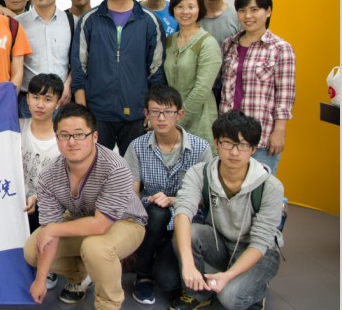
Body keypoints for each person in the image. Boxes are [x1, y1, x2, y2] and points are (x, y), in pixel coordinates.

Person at [24, 103, 147, 308]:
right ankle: (79, 275)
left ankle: (108, 303)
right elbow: (49, 232)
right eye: (64, 135)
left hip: (126, 221)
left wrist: (53, 229)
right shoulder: (49, 175)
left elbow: (100, 225)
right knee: (32, 250)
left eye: (79, 134)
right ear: (57, 138)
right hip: (79, 219)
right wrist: (40, 279)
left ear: (94, 137)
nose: (72, 142)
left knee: (95, 248)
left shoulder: (115, 167)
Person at [170, 110, 284, 310]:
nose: (234, 152)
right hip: (221, 242)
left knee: (229, 298)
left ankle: (257, 291)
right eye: (227, 143)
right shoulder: (199, 173)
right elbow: (182, 213)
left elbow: (260, 242)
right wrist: (188, 265)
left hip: (258, 251)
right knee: (189, 232)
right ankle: (198, 294)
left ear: (253, 149)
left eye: (243, 145)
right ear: (216, 143)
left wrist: (228, 276)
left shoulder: (270, 186)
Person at [123, 85, 213, 306]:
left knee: (168, 281)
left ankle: (157, 257)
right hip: (149, 219)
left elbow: (206, 198)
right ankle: (143, 274)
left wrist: (173, 200)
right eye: (155, 112)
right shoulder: (137, 147)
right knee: (157, 210)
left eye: (168, 112)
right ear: (146, 114)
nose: (161, 118)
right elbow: (130, 193)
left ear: (179, 114)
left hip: (184, 224)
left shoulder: (200, 148)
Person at [71, 0, 166, 155]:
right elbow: (79, 69)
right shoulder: (89, 20)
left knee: (135, 169)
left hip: (137, 114)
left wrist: (153, 111)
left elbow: (156, 71)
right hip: (97, 114)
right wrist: (83, 113)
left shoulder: (149, 21)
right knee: (95, 167)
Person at [219, 0, 295, 174]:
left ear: (268, 11)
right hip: (227, 135)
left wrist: (279, 132)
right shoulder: (229, 44)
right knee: (228, 186)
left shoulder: (280, 48)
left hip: (261, 137)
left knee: (259, 186)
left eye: (254, 10)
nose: (247, 16)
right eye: (242, 10)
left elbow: (285, 96)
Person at [164, 0, 222, 149]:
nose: (185, 12)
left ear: (199, 9)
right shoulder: (169, 41)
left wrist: (177, 120)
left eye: (191, 7)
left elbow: (202, 89)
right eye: (180, 6)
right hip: (170, 117)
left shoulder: (207, 43)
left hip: (200, 119)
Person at [16, 0, 73, 118]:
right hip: (27, 101)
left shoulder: (71, 21)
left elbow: (78, 61)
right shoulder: (17, 23)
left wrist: (68, 84)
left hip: (61, 100)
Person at [20, 73, 64, 235]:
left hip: (45, 210)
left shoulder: (64, 141)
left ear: (58, 103)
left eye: (47, 99)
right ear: (27, 98)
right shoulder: (16, 129)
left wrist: (38, 198)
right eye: (35, 97)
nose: (40, 105)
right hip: (14, 204)